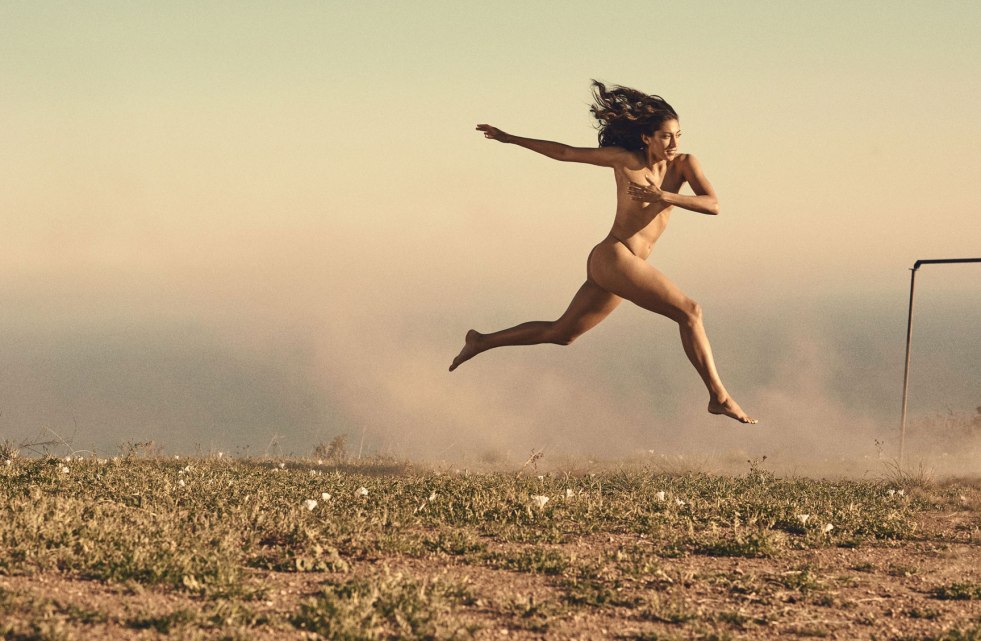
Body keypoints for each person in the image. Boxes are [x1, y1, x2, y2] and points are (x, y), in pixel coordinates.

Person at [450, 81, 757, 424]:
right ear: (647, 138)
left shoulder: (685, 164)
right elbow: (565, 153)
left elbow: (712, 204)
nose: (674, 143)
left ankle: (481, 341)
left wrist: (665, 197)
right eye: (667, 136)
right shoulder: (625, 160)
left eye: (678, 135)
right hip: (614, 256)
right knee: (690, 312)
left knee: (562, 333)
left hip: (623, 264)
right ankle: (719, 396)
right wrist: (510, 138)